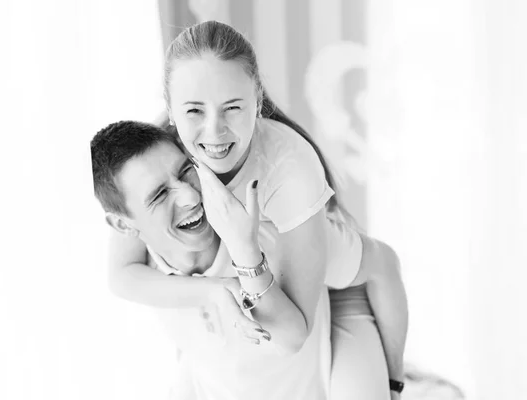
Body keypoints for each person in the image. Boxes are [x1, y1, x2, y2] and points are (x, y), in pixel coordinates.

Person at [107, 21, 408, 400]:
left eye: (233, 107)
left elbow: (295, 331)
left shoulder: (289, 175)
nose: (214, 132)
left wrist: (392, 383)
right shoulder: (161, 151)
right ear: (170, 110)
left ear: (257, 99)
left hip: (336, 290)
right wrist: (213, 293)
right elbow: (121, 274)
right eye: (194, 111)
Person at [91, 121, 331, 399]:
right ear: (124, 227)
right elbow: (120, 278)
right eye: (159, 195)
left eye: (185, 171)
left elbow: (291, 339)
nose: (191, 197)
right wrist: (218, 290)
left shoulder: (269, 235)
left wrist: (245, 254)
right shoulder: (149, 270)